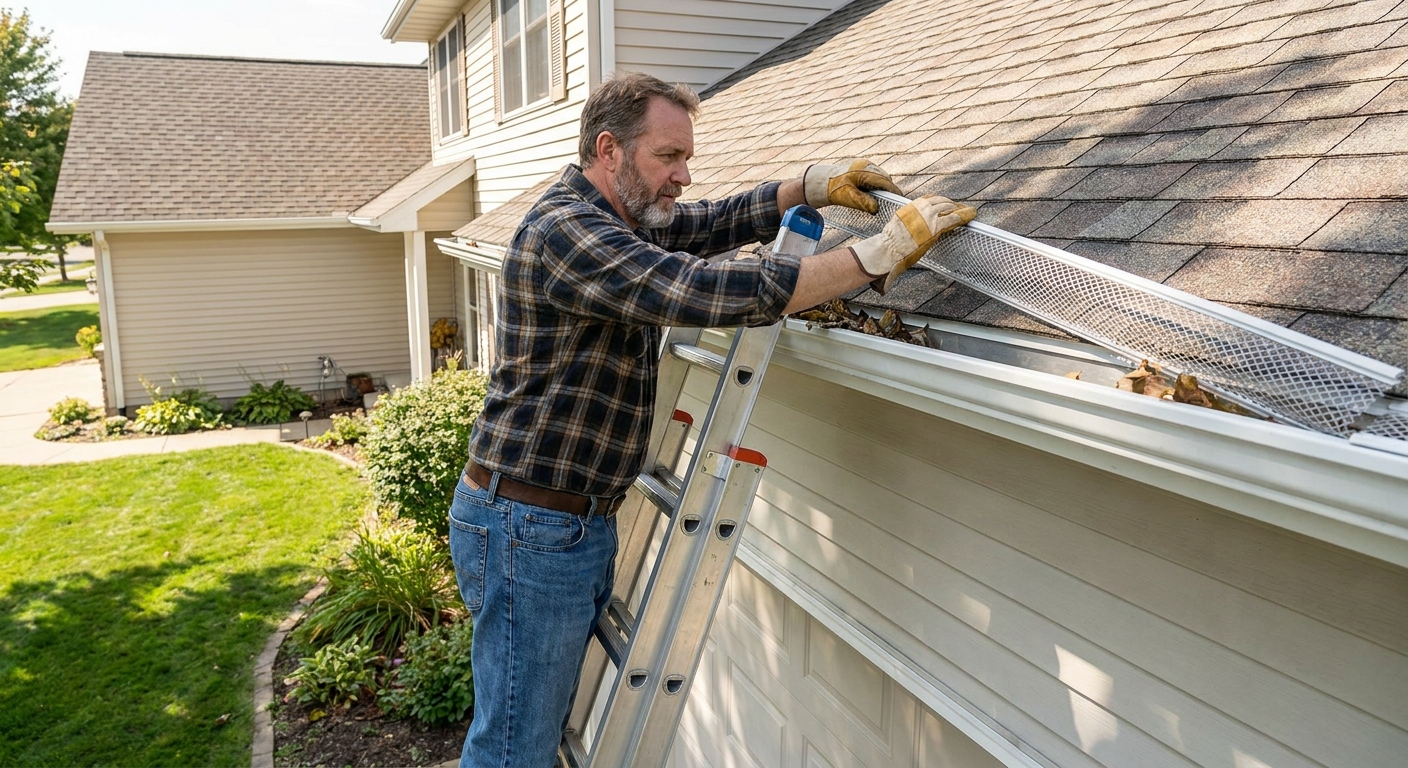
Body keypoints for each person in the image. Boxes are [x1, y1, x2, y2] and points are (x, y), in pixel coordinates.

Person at [447, 72, 975, 768]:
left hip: (562, 524)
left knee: (534, 738)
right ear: (609, 149)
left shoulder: (615, 220)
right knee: (513, 750)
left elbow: (706, 225)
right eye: (668, 158)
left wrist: (808, 187)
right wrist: (868, 257)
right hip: (531, 529)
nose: (683, 175)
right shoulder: (567, 232)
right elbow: (693, 288)